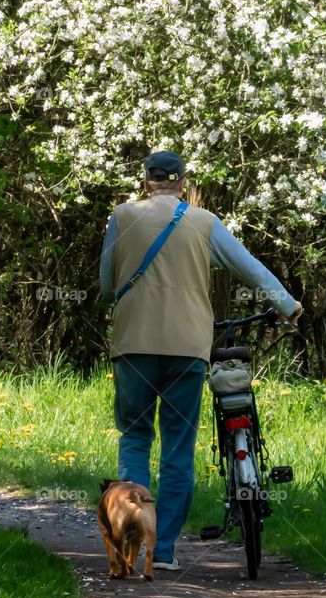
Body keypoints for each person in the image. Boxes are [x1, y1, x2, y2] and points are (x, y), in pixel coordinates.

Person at [99, 151, 302, 570]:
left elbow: (106, 285)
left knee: (135, 437)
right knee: (178, 447)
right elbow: (250, 268)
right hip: (187, 348)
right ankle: (164, 550)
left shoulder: (122, 216)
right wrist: (286, 305)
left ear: (146, 180)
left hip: (133, 344)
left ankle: (129, 531)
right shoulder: (204, 222)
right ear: (183, 182)